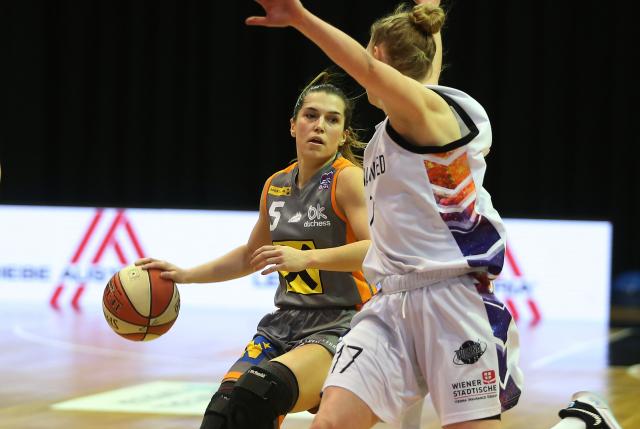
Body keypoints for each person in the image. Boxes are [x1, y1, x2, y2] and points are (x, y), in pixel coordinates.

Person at [246, 2, 624, 429]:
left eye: (370, 52)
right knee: (331, 423)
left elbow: (373, 72)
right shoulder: (408, 117)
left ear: (377, 53)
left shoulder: (428, 115)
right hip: (390, 303)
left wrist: (300, 18)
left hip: (451, 301)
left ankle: (585, 423)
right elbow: (422, 71)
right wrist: (431, 13)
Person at [136, 73, 376, 429]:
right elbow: (251, 254)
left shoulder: (347, 179)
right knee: (221, 413)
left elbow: (375, 248)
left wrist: (306, 258)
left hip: (339, 323)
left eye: (332, 119)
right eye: (311, 115)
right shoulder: (276, 186)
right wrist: (185, 275)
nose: (319, 126)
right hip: (284, 323)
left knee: (259, 394)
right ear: (293, 125)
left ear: (343, 135)